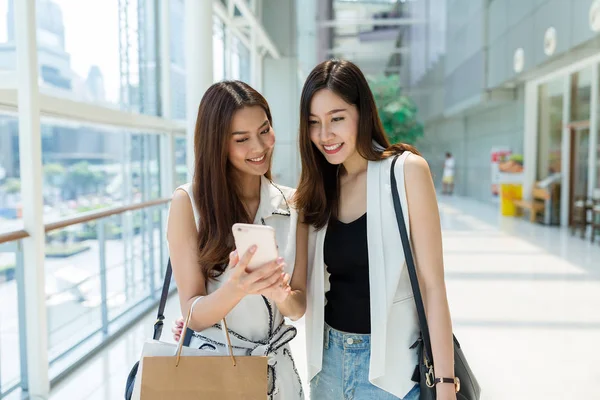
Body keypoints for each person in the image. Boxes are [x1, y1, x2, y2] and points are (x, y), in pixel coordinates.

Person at [294, 60, 457, 400]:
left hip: (392, 373)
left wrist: (444, 386)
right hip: (327, 367)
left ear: (362, 112)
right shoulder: (318, 189)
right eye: (314, 123)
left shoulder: (406, 172)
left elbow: (432, 286)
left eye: (337, 118)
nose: (325, 135)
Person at [167, 80, 307, 400]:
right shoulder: (188, 203)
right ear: (217, 144)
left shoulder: (293, 204)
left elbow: (297, 308)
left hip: (278, 376)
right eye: (242, 139)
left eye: (264, 130)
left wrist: (280, 292)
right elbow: (193, 314)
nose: (259, 147)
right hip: (215, 375)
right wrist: (236, 288)